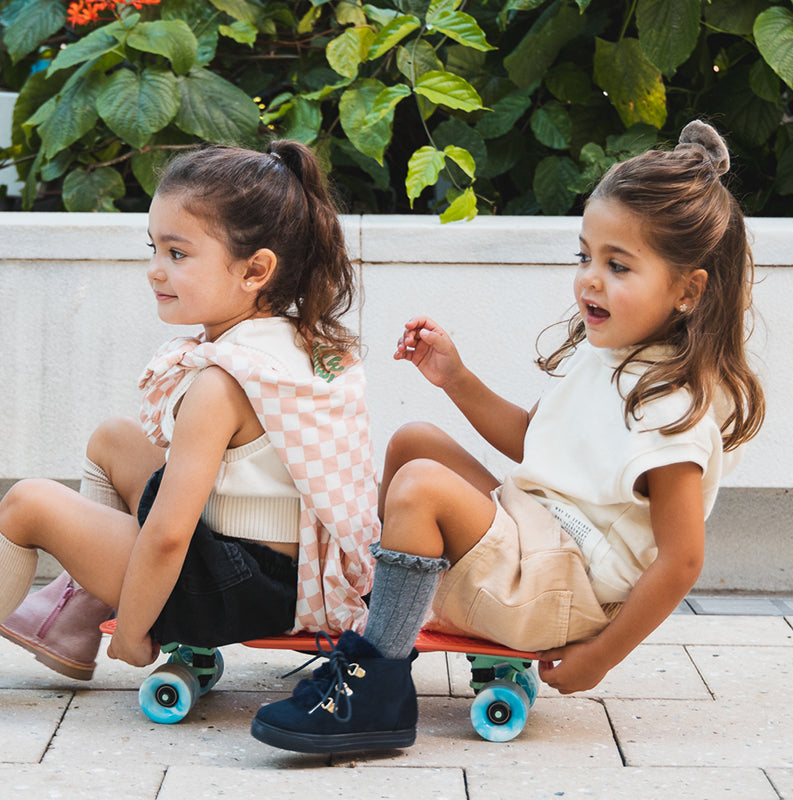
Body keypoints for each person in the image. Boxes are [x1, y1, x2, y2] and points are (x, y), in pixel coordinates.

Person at [250, 120, 766, 754]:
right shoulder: (613, 355)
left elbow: (682, 560)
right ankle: (368, 597)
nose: (590, 279)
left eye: (618, 265)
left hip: (561, 588)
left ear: (688, 290)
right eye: (586, 256)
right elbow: (538, 446)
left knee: (419, 488)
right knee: (416, 441)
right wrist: (454, 377)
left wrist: (599, 656)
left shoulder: (672, 410)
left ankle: (376, 686)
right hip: (536, 538)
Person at [0, 140, 380, 677]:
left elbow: (170, 534)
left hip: (237, 590)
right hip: (281, 571)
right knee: (114, 438)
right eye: (153, 248)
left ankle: (98, 613)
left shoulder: (220, 384)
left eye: (177, 254)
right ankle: (76, 613)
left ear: (255, 271)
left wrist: (133, 633)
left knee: (26, 502)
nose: (155, 270)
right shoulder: (292, 343)